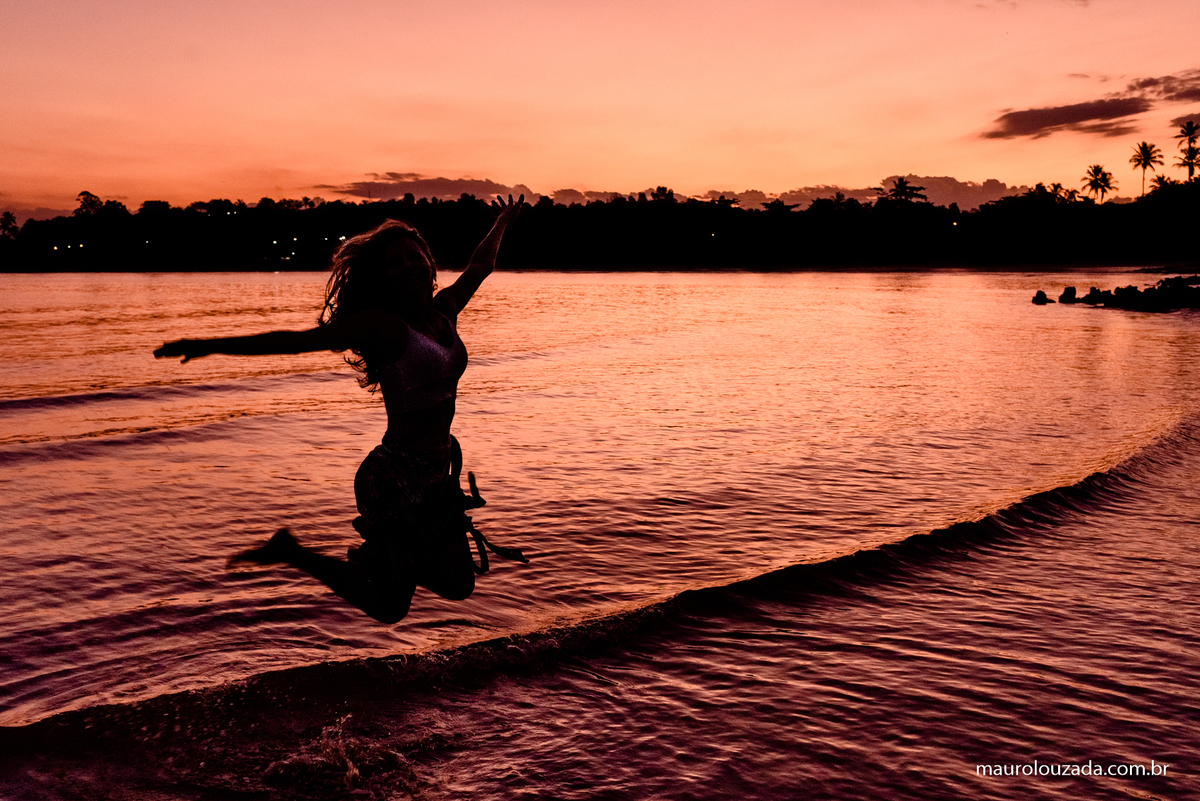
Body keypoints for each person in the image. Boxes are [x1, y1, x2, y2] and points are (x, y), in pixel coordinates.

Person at [154, 194, 526, 623]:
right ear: (382, 278)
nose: (408, 265)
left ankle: (370, 559)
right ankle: (302, 553)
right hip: (393, 478)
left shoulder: (444, 312)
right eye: (394, 263)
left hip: (435, 473)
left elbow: (480, 267)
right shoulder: (381, 327)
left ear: (429, 261)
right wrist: (206, 346)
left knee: (456, 585)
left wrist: (502, 222)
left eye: (413, 256)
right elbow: (297, 342)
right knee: (390, 607)